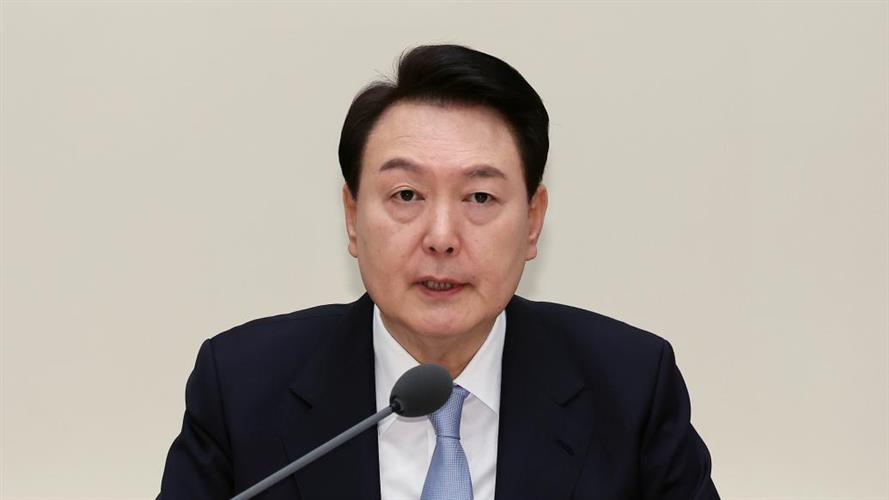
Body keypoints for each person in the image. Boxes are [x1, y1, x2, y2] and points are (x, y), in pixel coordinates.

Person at [158, 44, 720, 500]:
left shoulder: (630, 387)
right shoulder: (241, 388)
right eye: (406, 195)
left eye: (480, 197)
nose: (442, 237)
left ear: (532, 223)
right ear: (352, 218)